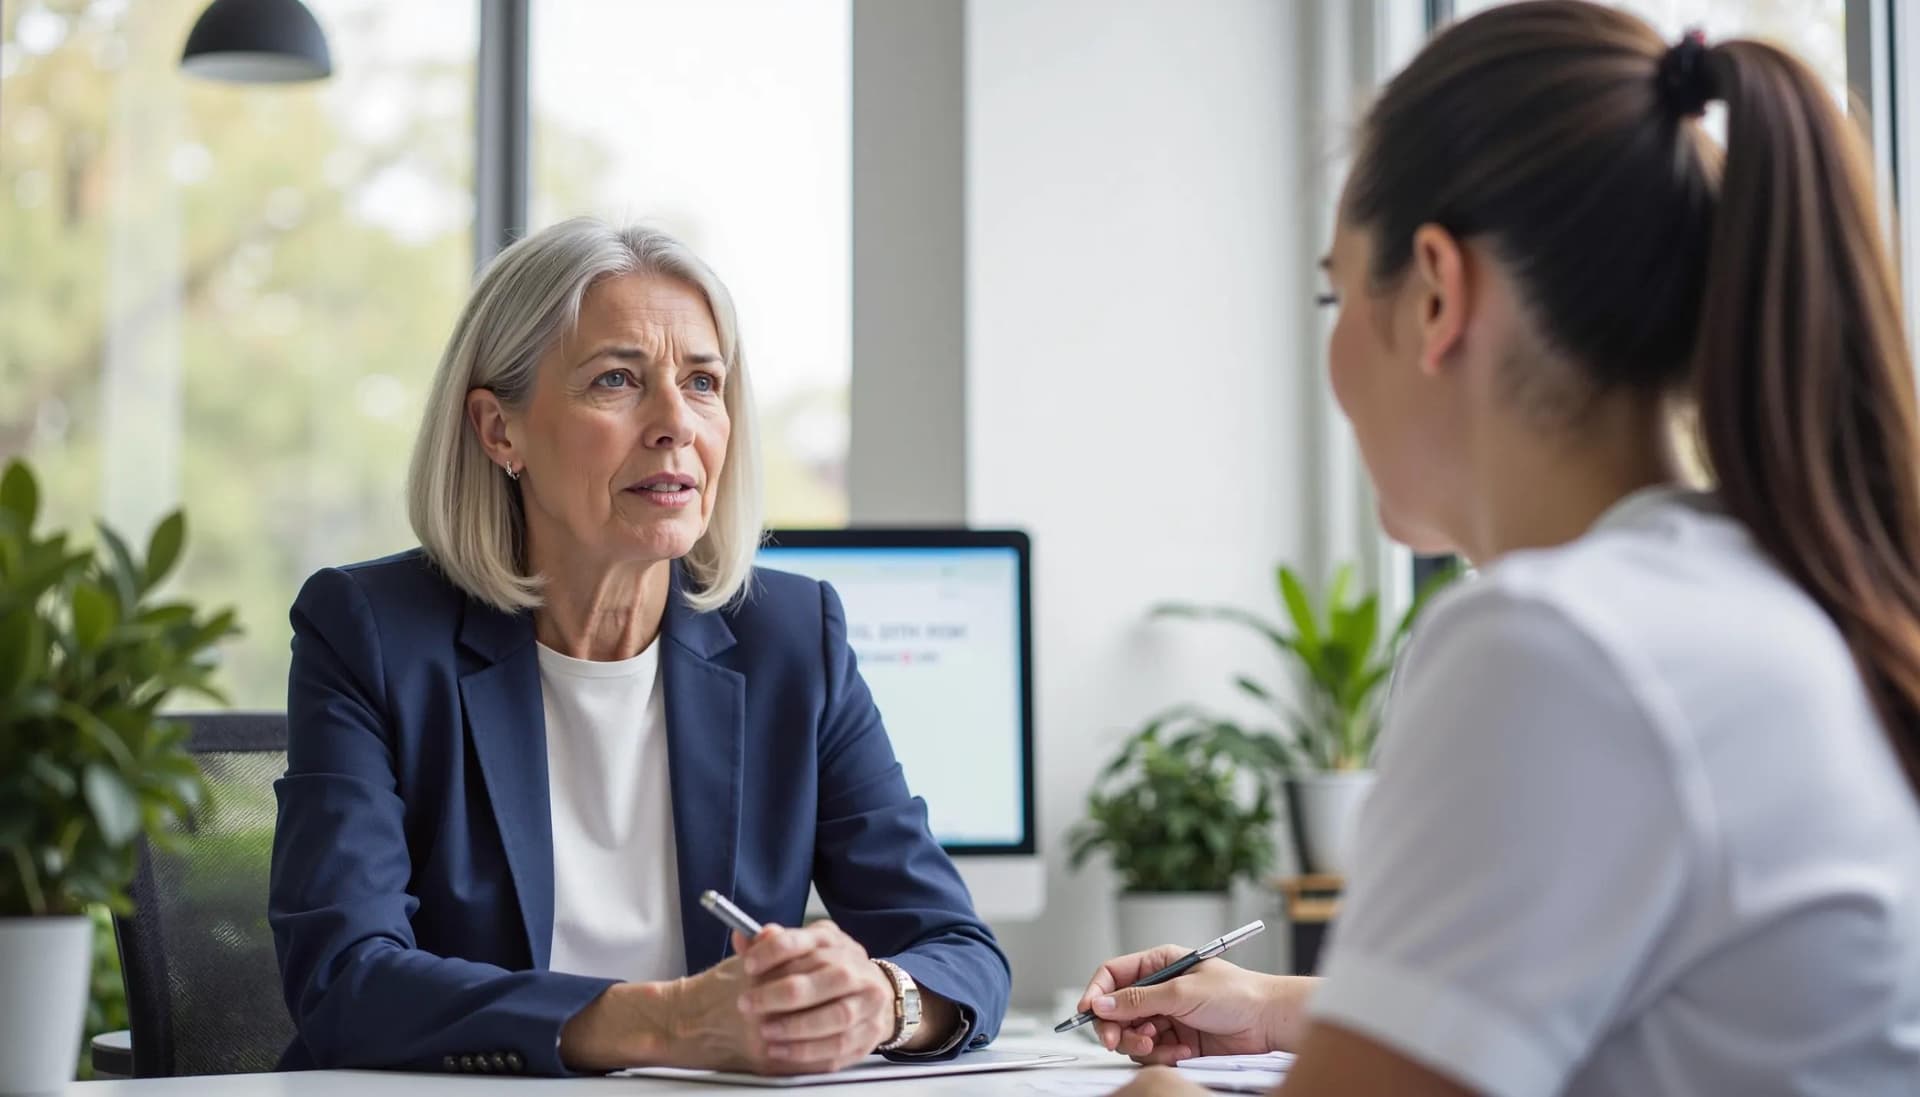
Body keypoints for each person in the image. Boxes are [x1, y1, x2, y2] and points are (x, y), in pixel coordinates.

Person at [1077, 3, 1920, 1095]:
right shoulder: (1780, 591)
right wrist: (1282, 1007)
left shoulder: (1558, 645)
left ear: (1436, 293)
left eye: (1338, 292)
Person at [269, 218, 1009, 1077]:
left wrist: (881, 1001)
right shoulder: (370, 631)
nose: (674, 423)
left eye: (702, 382)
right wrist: (668, 1021)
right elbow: (344, 979)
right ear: (498, 429)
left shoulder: (791, 637)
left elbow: (958, 948)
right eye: (616, 379)